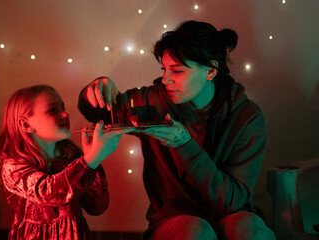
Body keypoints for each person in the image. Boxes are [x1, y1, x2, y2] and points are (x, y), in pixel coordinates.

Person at [78, 20, 276, 239]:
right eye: (164, 69)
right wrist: (94, 90)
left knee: (250, 229)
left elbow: (232, 202)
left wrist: (184, 144)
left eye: (177, 71)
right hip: (173, 222)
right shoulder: (154, 101)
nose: (166, 79)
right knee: (195, 231)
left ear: (211, 71)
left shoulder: (246, 116)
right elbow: (100, 113)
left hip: (230, 215)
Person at [0, 85, 132, 240]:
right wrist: (92, 159)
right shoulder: (13, 166)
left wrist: (94, 159)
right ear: (26, 125)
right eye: (52, 110)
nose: (65, 114)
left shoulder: (70, 155)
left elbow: (97, 206)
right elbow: (51, 192)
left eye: (63, 107)